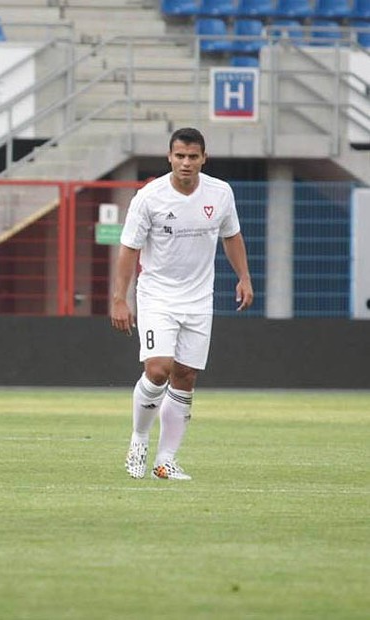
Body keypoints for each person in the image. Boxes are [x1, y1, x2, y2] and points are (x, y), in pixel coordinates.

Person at [110, 127, 253, 481]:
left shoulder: (220, 193)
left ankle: (165, 459)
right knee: (159, 369)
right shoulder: (149, 197)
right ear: (169, 157)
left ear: (204, 158)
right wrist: (119, 298)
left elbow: (231, 236)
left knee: (186, 376)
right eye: (180, 156)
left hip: (199, 298)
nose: (186, 163)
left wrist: (244, 277)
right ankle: (139, 439)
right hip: (157, 295)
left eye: (193, 156)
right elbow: (128, 249)